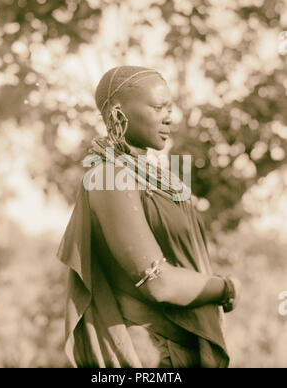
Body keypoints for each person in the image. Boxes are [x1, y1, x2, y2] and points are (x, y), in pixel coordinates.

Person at [57, 65, 241, 368]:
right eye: (158, 108)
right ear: (118, 114)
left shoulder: (150, 176)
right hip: (151, 353)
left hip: (178, 344)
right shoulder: (109, 177)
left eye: (170, 108)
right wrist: (226, 288)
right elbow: (158, 283)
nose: (169, 117)